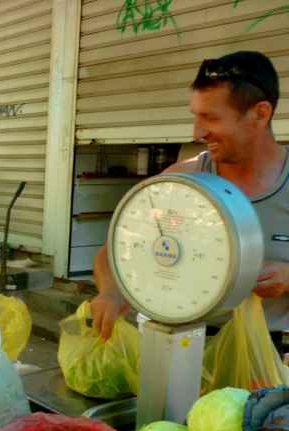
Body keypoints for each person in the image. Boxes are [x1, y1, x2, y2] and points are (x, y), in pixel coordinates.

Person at [91, 51, 289, 351]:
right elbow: (114, 252)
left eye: (210, 117)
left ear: (260, 114)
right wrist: (111, 291)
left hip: (274, 361)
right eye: (195, 116)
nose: (197, 132)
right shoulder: (180, 183)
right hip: (186, 350)